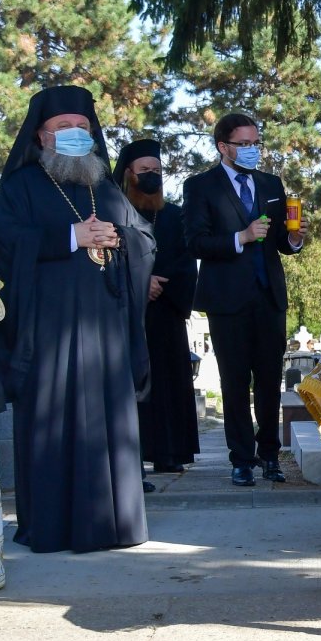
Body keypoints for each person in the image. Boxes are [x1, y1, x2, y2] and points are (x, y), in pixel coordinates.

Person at [0, 85, 155, 553]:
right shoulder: (21, 186)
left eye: (81, 128)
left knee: (108, 423)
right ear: (42, 137)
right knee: (54, 423)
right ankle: (52, 525)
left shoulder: (103, 186)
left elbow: (145, 239)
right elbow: (5, 244)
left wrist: (119, 238)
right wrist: (72, 236)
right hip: (51, 332)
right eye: (62, 128)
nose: (73, 135)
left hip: (106, 329)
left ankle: (114, 523)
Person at [182, 113, 308, 488]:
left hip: (268, 296)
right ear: (223, 146)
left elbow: (283, 244)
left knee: (269, 381)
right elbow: (195, 242)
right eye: (244, 144)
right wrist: (241, 236)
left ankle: (270, 456)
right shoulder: (200, 186)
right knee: (234, 382)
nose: (252, 150)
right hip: (226, 299)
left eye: (256, 143)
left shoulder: (271, 183)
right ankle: (241, 460)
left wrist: (296, 238)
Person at [113, 139, 200, 474]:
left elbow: (185, 261)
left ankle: (168, 453)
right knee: (134, 387)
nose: (152, 176)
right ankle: (133, 457)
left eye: (157, 171)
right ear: (129, 174)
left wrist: (158, 283)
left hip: (165, 312)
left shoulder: (175, 215)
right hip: (127, 315)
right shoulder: (114, 212)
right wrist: (138, 281)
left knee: (168, 384)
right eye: (144, 171)